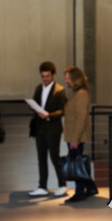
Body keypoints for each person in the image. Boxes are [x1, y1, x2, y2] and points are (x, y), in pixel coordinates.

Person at [29, 61, 67, 197]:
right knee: (41, 158)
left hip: (53, 129)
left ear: (53, 75)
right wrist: (33, 106)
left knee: (54, 157)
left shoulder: (60, 90)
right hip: (39, 128)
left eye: (47, 76)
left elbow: (62, 110)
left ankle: (62, 185)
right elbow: (34, 102)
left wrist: (48, 115)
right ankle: (42, 186)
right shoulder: (39, 88)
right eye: (43, 76)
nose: (45, 79)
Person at [63, 66, 98, 203]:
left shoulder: (82, 94)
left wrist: (75, 140)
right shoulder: (76, 93)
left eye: (67, 78)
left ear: (74, 78)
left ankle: (79, 193)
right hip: (73, 136)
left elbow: (81, 118)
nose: (66, 81)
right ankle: (91, 188)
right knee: (78, 163)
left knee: (76, 164)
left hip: (76, 137)